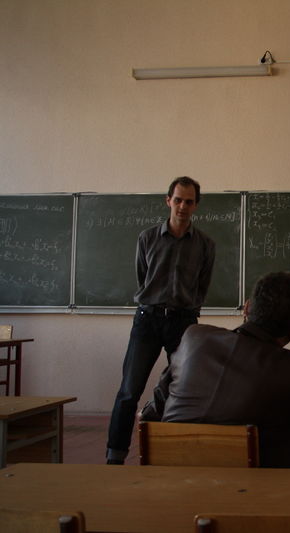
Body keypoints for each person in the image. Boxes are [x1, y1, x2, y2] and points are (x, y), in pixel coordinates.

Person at [142, 271, 290, 467]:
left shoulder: (194, 339)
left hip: (171, 484)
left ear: (247, 308)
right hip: (250, 497)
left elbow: (154, 411)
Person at [106, 176, 215, 464]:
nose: (182, 206)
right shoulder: (148, 238)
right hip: (148, 319)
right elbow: (143, 277)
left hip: (183, 322)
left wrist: (186, 309)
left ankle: (178, 453)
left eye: (189, 202)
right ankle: (114, 456)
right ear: (168, 201)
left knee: (186, 390)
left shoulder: (205, 245)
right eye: (178, 200)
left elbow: (202, 286)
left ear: (196, 205)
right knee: (129, 390)